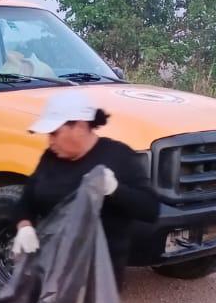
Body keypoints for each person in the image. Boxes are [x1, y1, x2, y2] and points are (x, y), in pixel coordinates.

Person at [13, 94, 159, 288]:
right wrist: (24, 227)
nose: (50, 142)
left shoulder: (119, 157)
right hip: (51, 271)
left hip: (97, 281)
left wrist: (116, 190)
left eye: (55, 133)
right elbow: (26, 200)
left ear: (80, 126)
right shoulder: (51, 158)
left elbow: (150, 209)